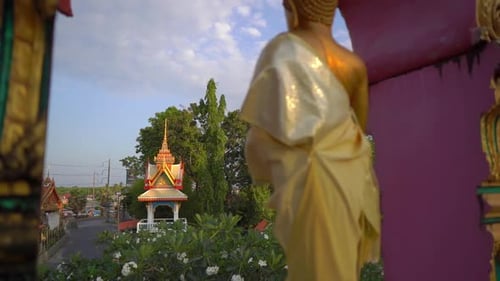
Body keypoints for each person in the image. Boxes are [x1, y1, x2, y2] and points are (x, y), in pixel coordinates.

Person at [240, 0, 381, 280]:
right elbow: (359, 128)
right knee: (341, 266)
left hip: (306, 179)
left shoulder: (282, 50)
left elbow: (259, 135)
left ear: (292, 7)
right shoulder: (354, 66)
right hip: (348, 176)